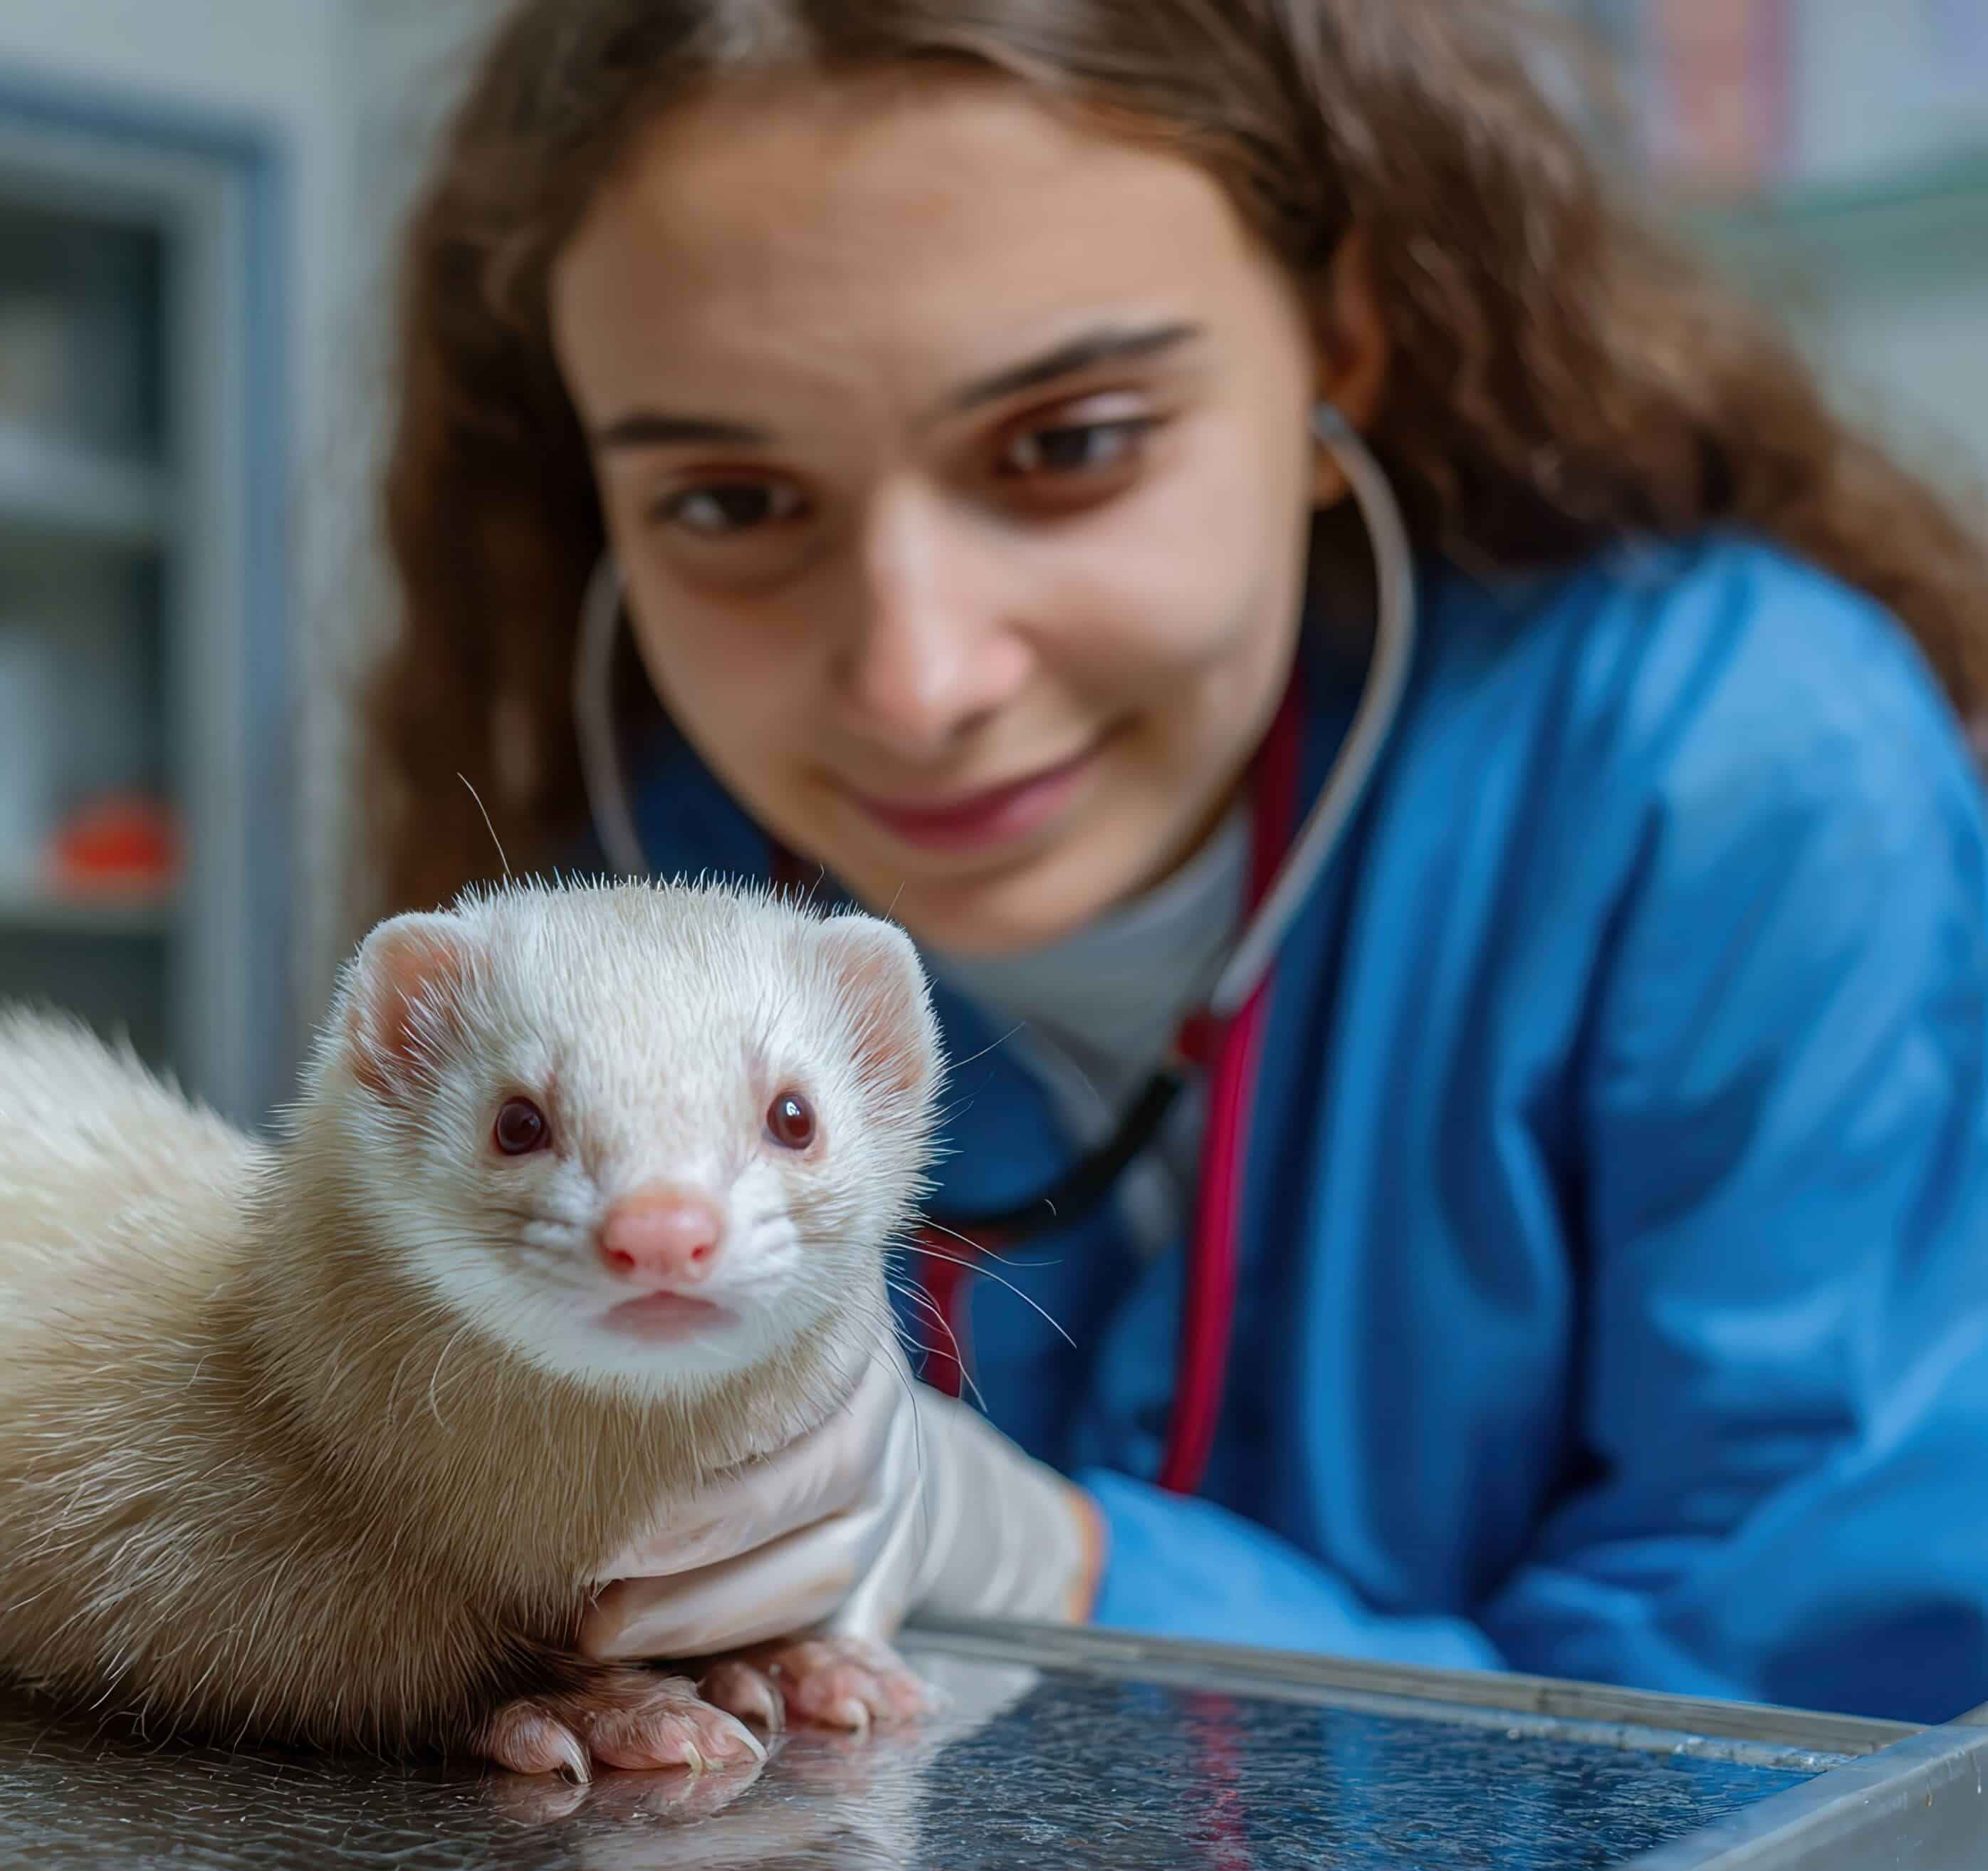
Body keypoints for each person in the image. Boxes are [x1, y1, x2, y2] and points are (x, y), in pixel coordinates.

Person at [356, 0, 1988, 1728]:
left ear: (1335, 341)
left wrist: (1057, 1576)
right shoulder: (627, 893)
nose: (918, 685)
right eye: (727, 501)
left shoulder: (1736, 769)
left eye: (1066, 445)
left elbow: (1811, 1755)